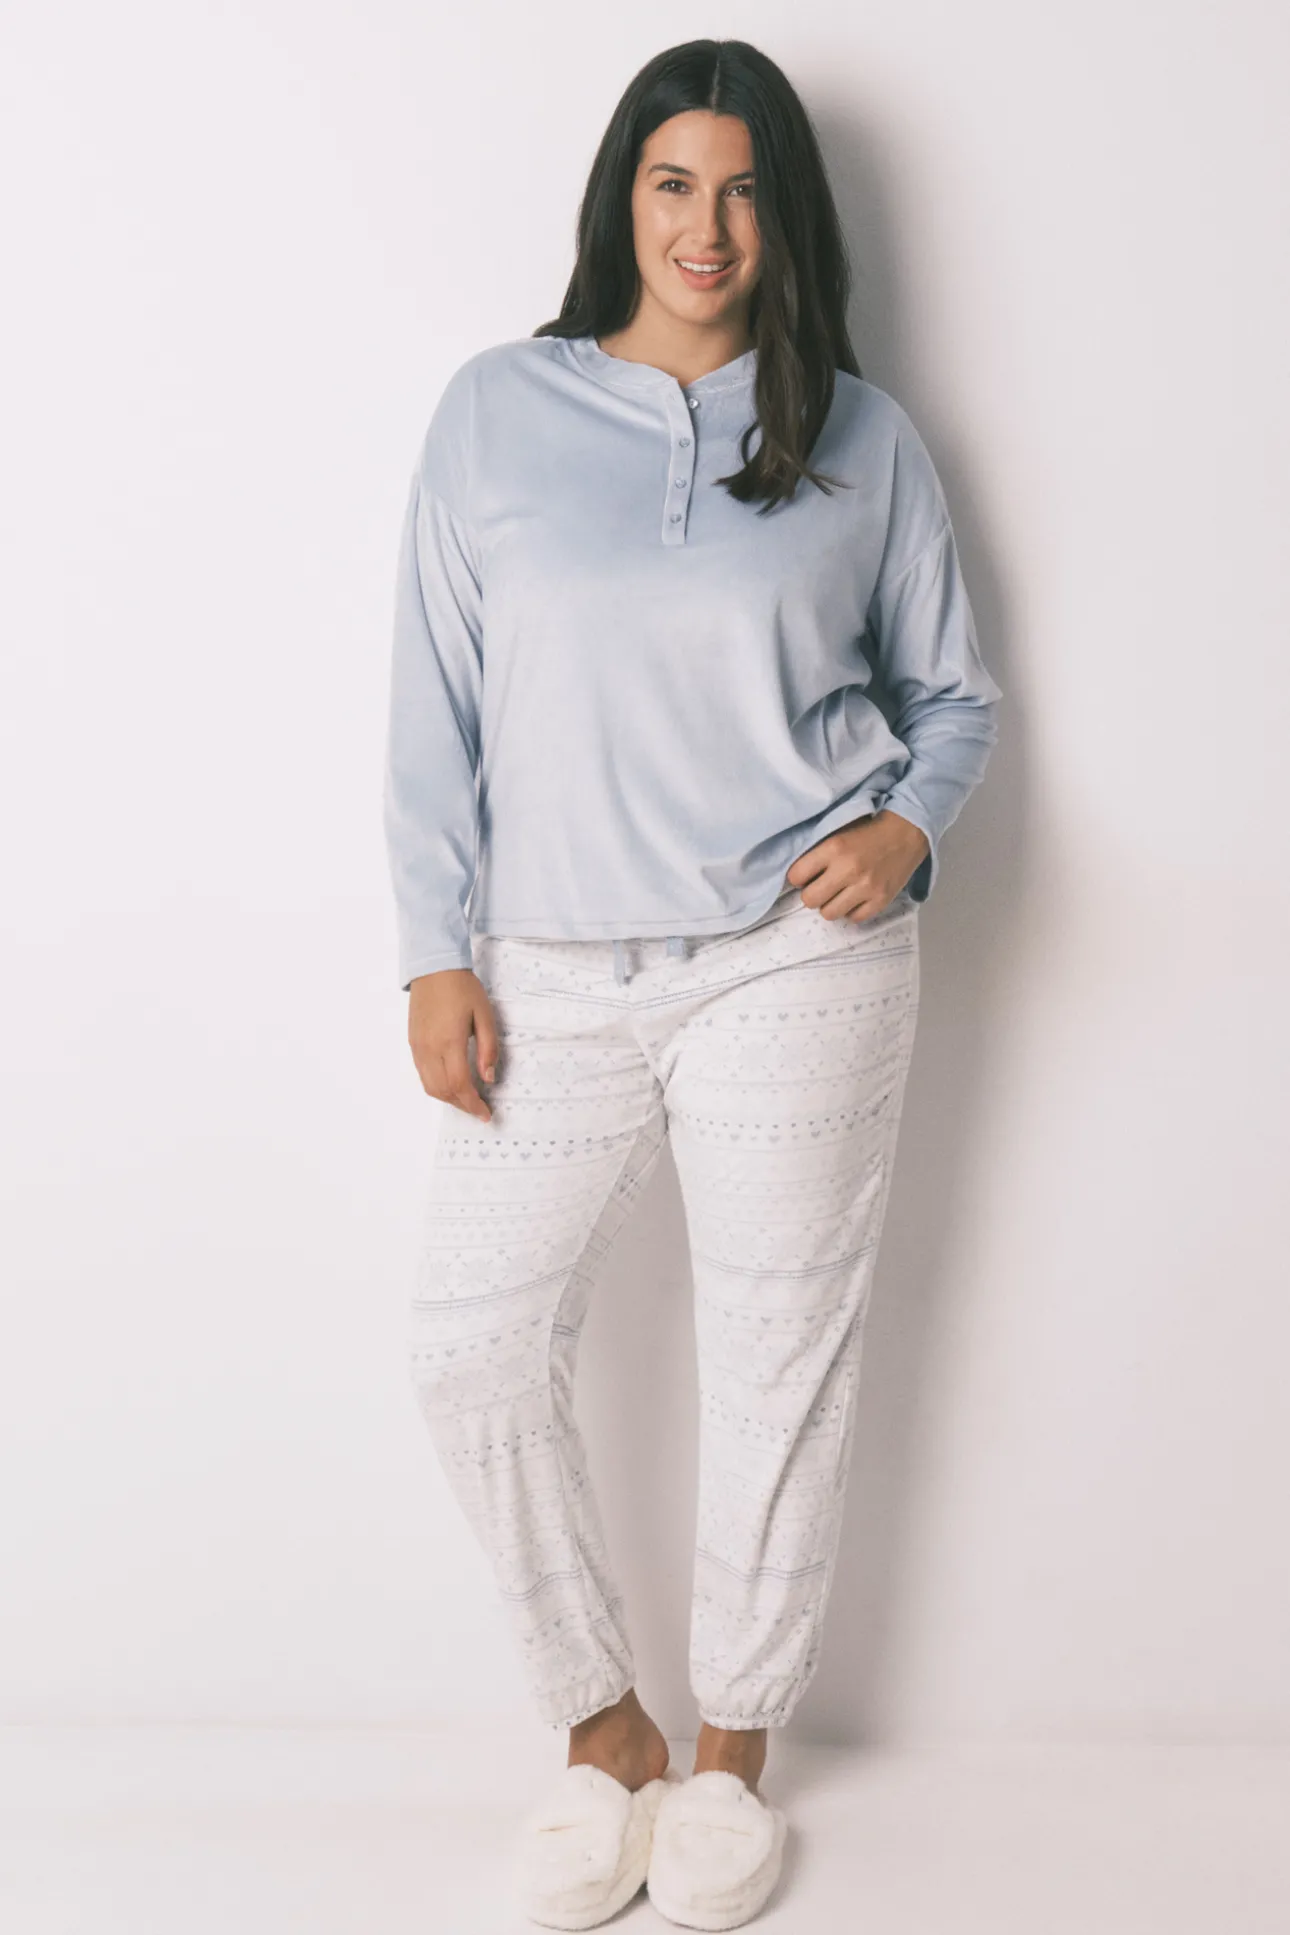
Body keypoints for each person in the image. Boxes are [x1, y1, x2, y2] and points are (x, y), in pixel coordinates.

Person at [383, 36, 1001, 1933]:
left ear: (783, 216)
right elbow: (433, 707)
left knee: (775, 1351)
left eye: (741, 190)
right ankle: (605, 1729)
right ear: (622, 200)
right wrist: (433, 948)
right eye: (672, 184)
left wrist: (904, 830)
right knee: (470, 1340)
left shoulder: (860, 436)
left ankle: (730, 1757)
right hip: (551, 967)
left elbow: (952, 697)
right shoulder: (496, 412)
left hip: (794, 960)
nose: (705, 226)